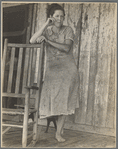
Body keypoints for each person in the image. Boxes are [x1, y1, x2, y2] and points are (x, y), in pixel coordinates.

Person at [30, 3, 79, 142]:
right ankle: (56, 129)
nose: (59, 19)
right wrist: (46, 24)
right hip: (52, 71)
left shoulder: (68, 30)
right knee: (52, 100)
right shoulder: (47, 30)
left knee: (64, 101)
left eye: (62, 16)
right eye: (56, 16)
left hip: (68, 71)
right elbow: (32, 40)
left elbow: (66, 48)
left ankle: (58, 133)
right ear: (51, 17)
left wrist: (48, 41)